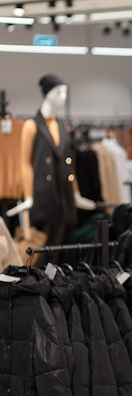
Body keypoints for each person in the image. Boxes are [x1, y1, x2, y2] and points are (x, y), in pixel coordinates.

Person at [7, 74, 95, 260]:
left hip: (64, 196)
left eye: (65, 91)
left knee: (61, 248)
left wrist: (76, 192)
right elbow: (25, 164)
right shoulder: (32, 126)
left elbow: (69, 163)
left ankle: (56, 284)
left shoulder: (62, 126)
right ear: (48, 94)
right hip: (43, 196)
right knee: (43, 249)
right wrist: (29, 196)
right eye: (59, 91)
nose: (63, 96)